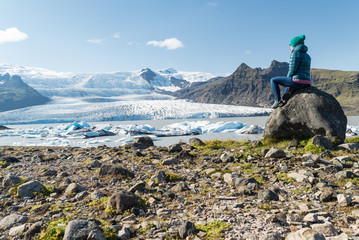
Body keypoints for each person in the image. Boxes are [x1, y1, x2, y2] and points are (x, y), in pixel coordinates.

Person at [270, 34, 312, 109]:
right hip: (307, 82)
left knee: (273, 80)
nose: (290, 47)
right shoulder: (307, 56)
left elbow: (292, 69)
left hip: (298, 81)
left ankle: (277, 101)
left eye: (290, 45)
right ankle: (288, 92)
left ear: (294, 45)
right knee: (288, 88)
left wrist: (288, 79)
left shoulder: (295, 53)